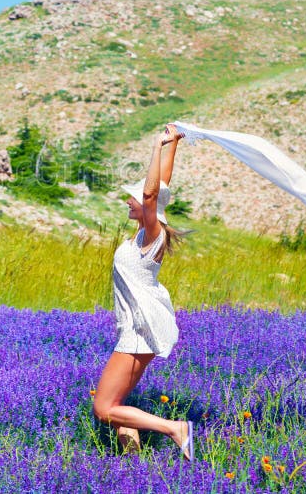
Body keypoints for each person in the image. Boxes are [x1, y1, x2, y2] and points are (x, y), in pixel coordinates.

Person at [92, 123, 193, 460]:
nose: (128, 201)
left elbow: (152, 194)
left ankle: (175, 428)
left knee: (104, 408)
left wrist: (155, 146)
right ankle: (132, 468)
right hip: (135, 330)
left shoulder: (153, 236)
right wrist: (172, 145)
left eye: (132, 197)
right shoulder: (144, 234)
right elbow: (160, 189)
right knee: (117, 406)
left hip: (137, 333)